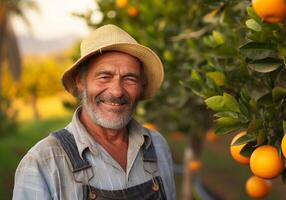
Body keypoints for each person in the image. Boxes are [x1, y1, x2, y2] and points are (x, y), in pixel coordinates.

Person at [13, 24, 176, 200]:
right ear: (80, 82)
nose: (117, 91)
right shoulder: (43, 163)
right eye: (104, 76)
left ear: (141, 86)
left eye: (130, 78)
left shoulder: (157, 146)